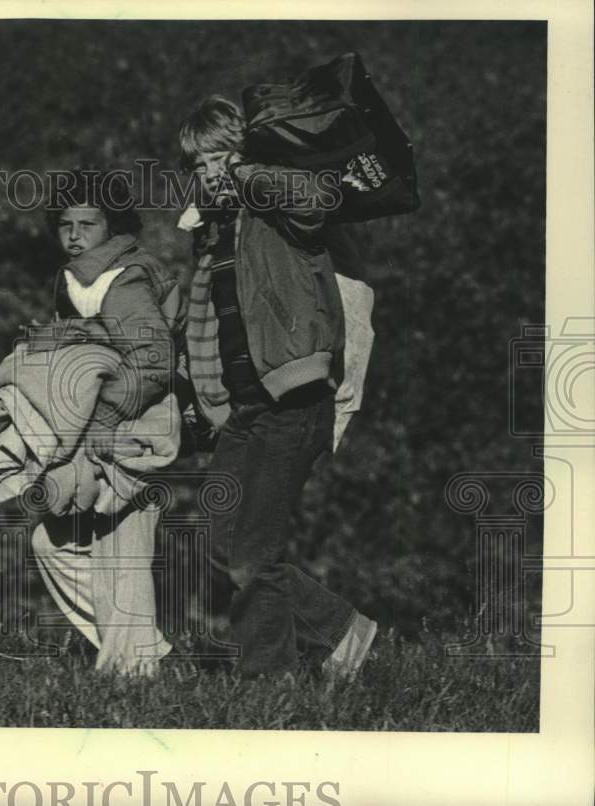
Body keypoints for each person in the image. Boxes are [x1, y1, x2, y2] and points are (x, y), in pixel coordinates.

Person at [177, 96, 377, 681]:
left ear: (248, 156)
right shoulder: (215, 232)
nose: (206, 173)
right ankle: (340, 630)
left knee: (251, 555)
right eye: (196, 164)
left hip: (294, 401)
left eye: (218, 157)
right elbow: (206, 324)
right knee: (219, 543)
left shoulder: (277, 212)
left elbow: (314, 202)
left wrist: (244, 172)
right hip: (244, 410)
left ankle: (268, 681)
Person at [27, 169, 183, 676]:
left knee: (121, 547)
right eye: (65, 224)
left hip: (139, 423)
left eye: (87, 224)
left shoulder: (121, 277)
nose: (73, 234)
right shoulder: (79, 278)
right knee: (52, 543)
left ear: (112, 228)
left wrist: (105, 416)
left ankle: (132, 673)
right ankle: (146, 654)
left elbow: (154, 360)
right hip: (107, 425)